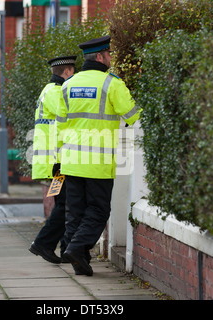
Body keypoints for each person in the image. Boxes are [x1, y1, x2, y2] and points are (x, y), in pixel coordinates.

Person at [55, 35, 141, 276]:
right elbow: (134, 116)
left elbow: (59, 126)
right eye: (110, 54)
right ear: (101, 57)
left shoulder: (68, 85)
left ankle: (78, 261)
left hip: (71, 161)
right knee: (98, 210)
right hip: (97, 163)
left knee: (75, 213)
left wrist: (58, 158)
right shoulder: (111, 84)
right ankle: (77, 247)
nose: (111, 58)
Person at [28, 55, 77, 264]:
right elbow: (71, 117)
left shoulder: (46, 91)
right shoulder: (57, 93)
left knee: (61, 202)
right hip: (59, 160)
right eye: (73, 71)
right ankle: (43, 243)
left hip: (52, 160)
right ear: (66, 72)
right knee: (65, 203)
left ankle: (59, 247)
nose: (74, 76)